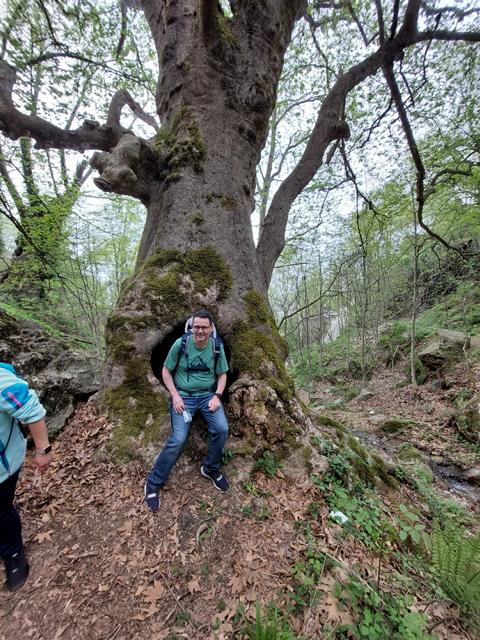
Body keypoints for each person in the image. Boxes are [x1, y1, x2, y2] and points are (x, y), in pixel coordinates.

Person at [144, 310, 229, 511]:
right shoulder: (181, 344)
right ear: (191, 328)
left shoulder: (217, 347)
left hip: (208, 396)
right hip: (184, 397)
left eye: (204, 327)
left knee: (222, 428)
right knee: (178, 438)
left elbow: (223, 374)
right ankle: (152, 484)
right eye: (196, 327)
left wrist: (217, 396)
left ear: (211, 328)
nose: (199, 330)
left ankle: (210, 469)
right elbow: (166, 371)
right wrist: (175, 395)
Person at [0, 363, 52, 592]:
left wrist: (43, 450)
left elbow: (30, 406)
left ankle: (13, 553)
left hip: (3, 468)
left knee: (1, 511)